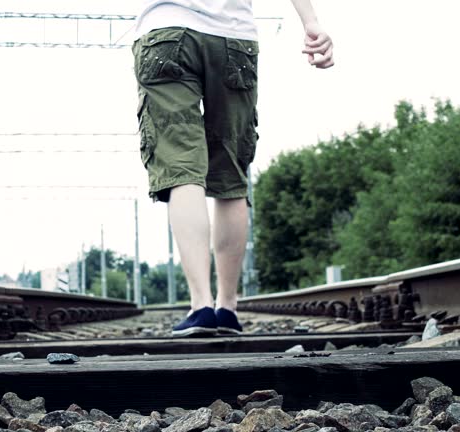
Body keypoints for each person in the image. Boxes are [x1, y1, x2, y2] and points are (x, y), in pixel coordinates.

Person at [132, 1, 334, 337]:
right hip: (233, 37)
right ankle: (227, 307)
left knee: (182, 169)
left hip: (165, 32)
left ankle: (201, 306)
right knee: (230, 178)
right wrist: (311, 22)